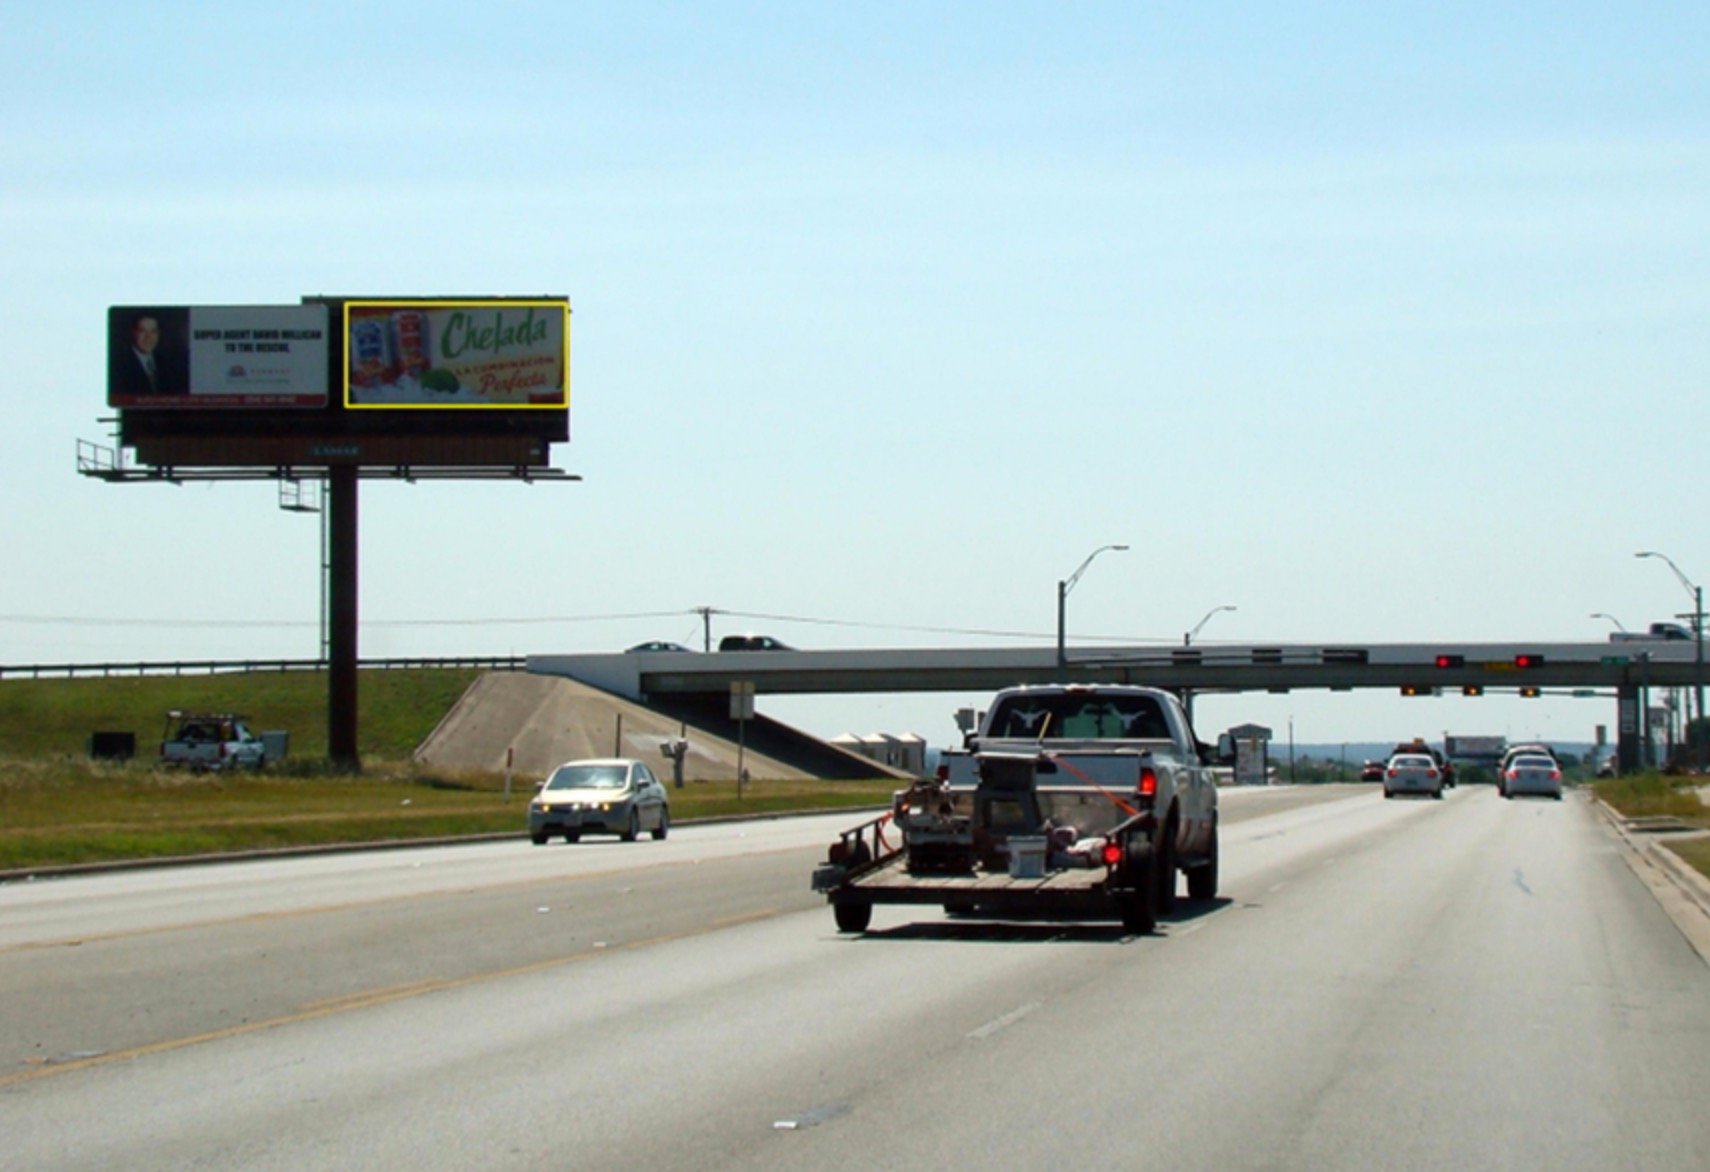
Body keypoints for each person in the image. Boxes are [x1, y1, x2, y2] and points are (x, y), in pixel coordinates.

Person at [111, 310, 187, 398]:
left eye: (153, 331)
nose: (148, 337)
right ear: (134, 333)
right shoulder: (119, 365)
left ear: (159, 334)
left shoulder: (167, 363)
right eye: (142, 331)